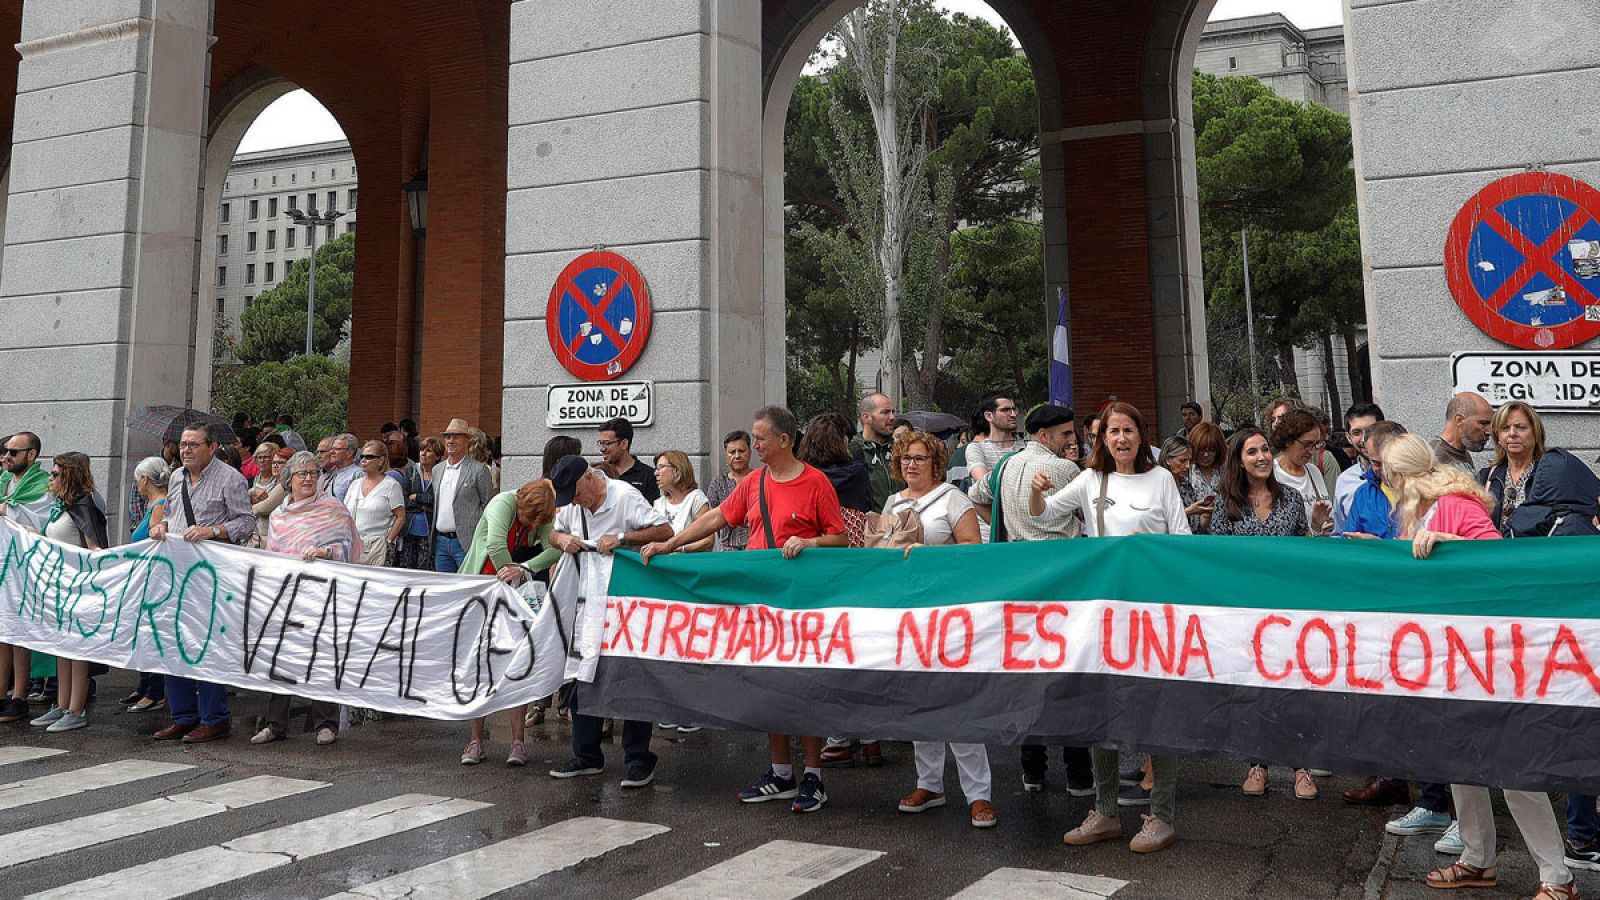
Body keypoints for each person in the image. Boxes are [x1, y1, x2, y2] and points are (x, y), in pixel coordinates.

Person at [1381, 434, 1578, 900]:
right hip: (1450, 655)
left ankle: (1558, 877)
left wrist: (1449, 542)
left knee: (1512, 770)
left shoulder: (1452, 504)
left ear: (1398, 475)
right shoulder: (1422, 509)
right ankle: (1477, 859)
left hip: (1485, 658)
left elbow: (1496, 562)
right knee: (1459, 762)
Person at [640, 405, 848, 813]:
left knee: (804, 688)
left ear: (784, 440)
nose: (753, 446)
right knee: (768, 686)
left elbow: (839, 538)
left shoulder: (816, 483)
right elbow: (719, 516)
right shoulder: (753, 483)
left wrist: (809, 543)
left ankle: (812, 776)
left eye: (760, 439)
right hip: (760, 603)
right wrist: (670, 544)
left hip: (801, 604)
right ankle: (780, 772)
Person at [1031, 402, 1189, 854]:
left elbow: (1182, 542)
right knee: (1100, 707)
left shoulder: (1161, 480)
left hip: (1153, 610)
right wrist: (1037, 493)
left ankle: (1162, 816)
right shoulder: (1089, 480)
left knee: (1155, 710)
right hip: (1105, 613)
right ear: (1101, 438)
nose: (1121, 438)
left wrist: (1148, 546)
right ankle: (1104, 812)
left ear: (1142, 435)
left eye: (1129, 430)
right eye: (1112, 431)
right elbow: (1043, 516)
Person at [965, 404, 1091, 794]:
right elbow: (1087, 519)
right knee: (1069, 674)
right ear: (1044, 435)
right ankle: (1078, 772)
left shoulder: (1004, 467)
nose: (1072, 441)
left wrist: (1002, 518)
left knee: (1027, 673)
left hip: (1017, 574)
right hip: (1061, 577)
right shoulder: (1067, 471)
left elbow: (974, 495)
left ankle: (1032, 769)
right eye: (1065, 434)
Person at [1207, 428, 1325, 800]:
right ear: (1238, 460)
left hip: (1288, 609)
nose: (1260, 457)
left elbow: (1305, 551)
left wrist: (1318, 530)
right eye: (1252, 451)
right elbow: (1217, 559)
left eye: (1264, 450)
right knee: (1253, 688)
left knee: (1293, 686)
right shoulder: (1226, 502)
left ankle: (1300, 766)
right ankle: (1257, 764)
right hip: (1244, 612)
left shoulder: (1289, 498)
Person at [883, 430, 992, 828]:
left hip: (948, 614)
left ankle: (978, 794)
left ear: (935, 464)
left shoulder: (952, 498)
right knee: (919, 700)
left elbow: (974, 551)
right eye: (906, 459)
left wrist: (932, 555)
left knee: (958, 702)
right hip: (908, 614)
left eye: (919, 458)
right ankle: (928, 783)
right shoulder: (893, 501)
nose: (911, 464)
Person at [546, 458, 673, 787]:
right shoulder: (573, 506)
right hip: (588, 602)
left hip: (624, 603)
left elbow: (664, 530)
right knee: (585, 673)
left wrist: (622, 537)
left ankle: (638, 758)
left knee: (630, 673)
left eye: (576, 494)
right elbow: (552, 532)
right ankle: (587, 755)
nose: (575, 502)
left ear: (589, 477)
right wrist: (562, 542)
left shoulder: (624, 496)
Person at [150, 423, 255, 744]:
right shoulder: (178, 477)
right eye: (183, 445)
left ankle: (214, 718)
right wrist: (163, 525)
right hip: (177, 573)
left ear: (211, 447)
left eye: (194, 445)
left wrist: (214, 531)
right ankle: (183, 715)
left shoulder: (231, 478)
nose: (186, 450)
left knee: (207, 646)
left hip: (211, 576)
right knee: (172, 641)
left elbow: (246, 522)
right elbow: (171, 513)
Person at [252, 450, 360, 747]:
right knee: (282, 658)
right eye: (302, 474)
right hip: (287, 597)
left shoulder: (333, 510)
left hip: (323, 595)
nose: (309, 478)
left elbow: (349, 548)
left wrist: (326, 553)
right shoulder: (278, 516)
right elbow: (273, 556)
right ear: (289, 480)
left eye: (314, 472)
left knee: (322, 656)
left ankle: (326, 723)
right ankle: (276, 724)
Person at [458, 479, 562, 766]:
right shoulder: (502, 503)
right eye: (528, 519)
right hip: (482, 585)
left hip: (514, 591)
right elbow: (494, 544)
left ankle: (518, 743)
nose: (531, 526)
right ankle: (475, 740)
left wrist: (525, 567)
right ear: (522, 503)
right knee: (478, 663)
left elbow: (554, 547)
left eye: (536, 522)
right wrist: (511, 572)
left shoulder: (541, 514)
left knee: (517, 662)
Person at [798, 412, 876, 764]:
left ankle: (838, 735)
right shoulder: (857, 473)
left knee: (826, 657)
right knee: (863, 652)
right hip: (856, 568)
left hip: (815, 571)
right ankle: (872, 736)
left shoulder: (804, 479)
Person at [25, 452, 108, 733]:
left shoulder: (84, 505)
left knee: (77, 649)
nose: (51, 477)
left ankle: (76, 708)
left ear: (70, 475)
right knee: (62, 646)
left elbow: (94, 548)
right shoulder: (63, 505)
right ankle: (62, 705)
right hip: (58, 585)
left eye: (56, 473)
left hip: (77, 586)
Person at [1481, 401, 1600, 538]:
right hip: (1497, 555)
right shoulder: (1486, 478)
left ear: (1536, 433)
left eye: (1521, 427)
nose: (1512, 433)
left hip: (1544, 554)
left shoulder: (1554, 474)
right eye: (1505, 428)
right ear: (1498, 437)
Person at [0, 432, 50, 724]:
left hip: (23, 568)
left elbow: (38, 521)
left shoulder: (42, 484)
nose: (6, 457)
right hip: (3, 563)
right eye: (6, 451)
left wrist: (7, 509)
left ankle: (20, 696)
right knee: (2, 632)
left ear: (31, 455)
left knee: (18, 632)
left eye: (13, 453)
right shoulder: (5, 481)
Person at [123, 456, 172, 714]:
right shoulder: (152, 504)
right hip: (145, 578)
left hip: (155, 581)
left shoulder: (160, 506)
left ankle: (155, 690)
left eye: (137, 480)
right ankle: (145, 684)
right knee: (143, 633)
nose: (136, 486)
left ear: (144, 479)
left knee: (152, 634)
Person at [434, 418, 496, 573]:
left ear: (467, 440)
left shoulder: (479, 470)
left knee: (467, 586)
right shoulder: (437, 470)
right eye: (448, 436)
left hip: (467, 541)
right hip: (440, 540)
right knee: (444, 588)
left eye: (456, 436)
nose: (450, 441)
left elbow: (488, 506)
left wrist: (482, 539)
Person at [1271, 408, 1334, 537]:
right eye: (1307, 444)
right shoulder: (1271, 474)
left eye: (1316, 444)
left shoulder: (1313, 471)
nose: (1311, 451)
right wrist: (1315, 528)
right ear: (1288, 440)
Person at [798, 412, 873, 515]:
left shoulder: (802, 475)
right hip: (849, 528)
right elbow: (867, 507)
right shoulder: (857, 474)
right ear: (843, 441)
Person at [1333, 403, 1385, 533]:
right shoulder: (1344, 480)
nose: (1364, 439)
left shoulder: (1404, 476)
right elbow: (1340, 532)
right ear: (1348, 438)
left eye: (1370, 431)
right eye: (1357, 433)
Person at [385, 428, 430, 569]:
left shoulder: (392, 477)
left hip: (403, 530)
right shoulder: (407, 472)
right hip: (408, 529)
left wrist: (418, 499)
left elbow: (403, 504)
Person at [651, 450, 712, 552]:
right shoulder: (658, 504)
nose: (656, 473)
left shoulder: (696, 498)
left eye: (661, 467)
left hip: (689, 564)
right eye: (656, 468)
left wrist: (679, 549)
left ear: (676, 471)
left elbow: (708, 541)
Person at [851, 392, 903, 510]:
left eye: (893, 412)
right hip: (870, 526)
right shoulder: (852, 453)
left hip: (902, 526)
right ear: (866, 417)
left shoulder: (901, 450)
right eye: (885, 412)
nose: (892, 417)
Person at [705, 430, 752, 551]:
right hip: (726, 550)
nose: (737, 456)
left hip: (755, 548)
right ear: (726, 455)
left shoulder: (760, 479)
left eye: (741, 451)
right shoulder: (718, 483)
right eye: (732, 452)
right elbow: (711, 518)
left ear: (750, 452)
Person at [1159, 436, 1213, 534]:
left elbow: (1197, 528)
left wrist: (1206, 515)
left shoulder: (1187, 487)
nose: (1188, 466)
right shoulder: (1157, 486)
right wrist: (1188, 511)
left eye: (1190, 461)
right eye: (1182, 461)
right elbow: (1156, 523)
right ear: (1168, 459)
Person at [598, 417, 658, 503]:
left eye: (607, 443)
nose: (602, 449)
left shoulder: (647, 475)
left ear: (624, 444)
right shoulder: (599, 473)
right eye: (600, 443)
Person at [965, 392, 1024, 478]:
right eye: (1006, 410)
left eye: (1014, 409)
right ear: (989, 416)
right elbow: (983, 482)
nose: (1013, 414)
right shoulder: (977, 448)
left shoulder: (1026, 447)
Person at [1431, 392, 1493, 473]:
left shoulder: (1462, 452)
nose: (1489, 432)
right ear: (1459, 420)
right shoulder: (1434, 457)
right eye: (1483, 423)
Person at [249, 446, 290, 547]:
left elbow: (260, 508)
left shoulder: (285, 486)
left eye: (280, 463)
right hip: (260, 535)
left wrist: (243, 508)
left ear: (290, 466)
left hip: (268, 538)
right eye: (274, 462)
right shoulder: (275, 483)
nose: (275, 466)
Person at [1187, 421, 1226, 503]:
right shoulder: (1186, 473)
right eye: (1201, 450)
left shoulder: (1226, 472)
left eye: (1211, 450)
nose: (1205, 455)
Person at [324, 432, 362, 502]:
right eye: (332, 448)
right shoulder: (331, 473)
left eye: (337, 449)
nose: (332, 452)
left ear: (349, 453)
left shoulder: (358, 474)